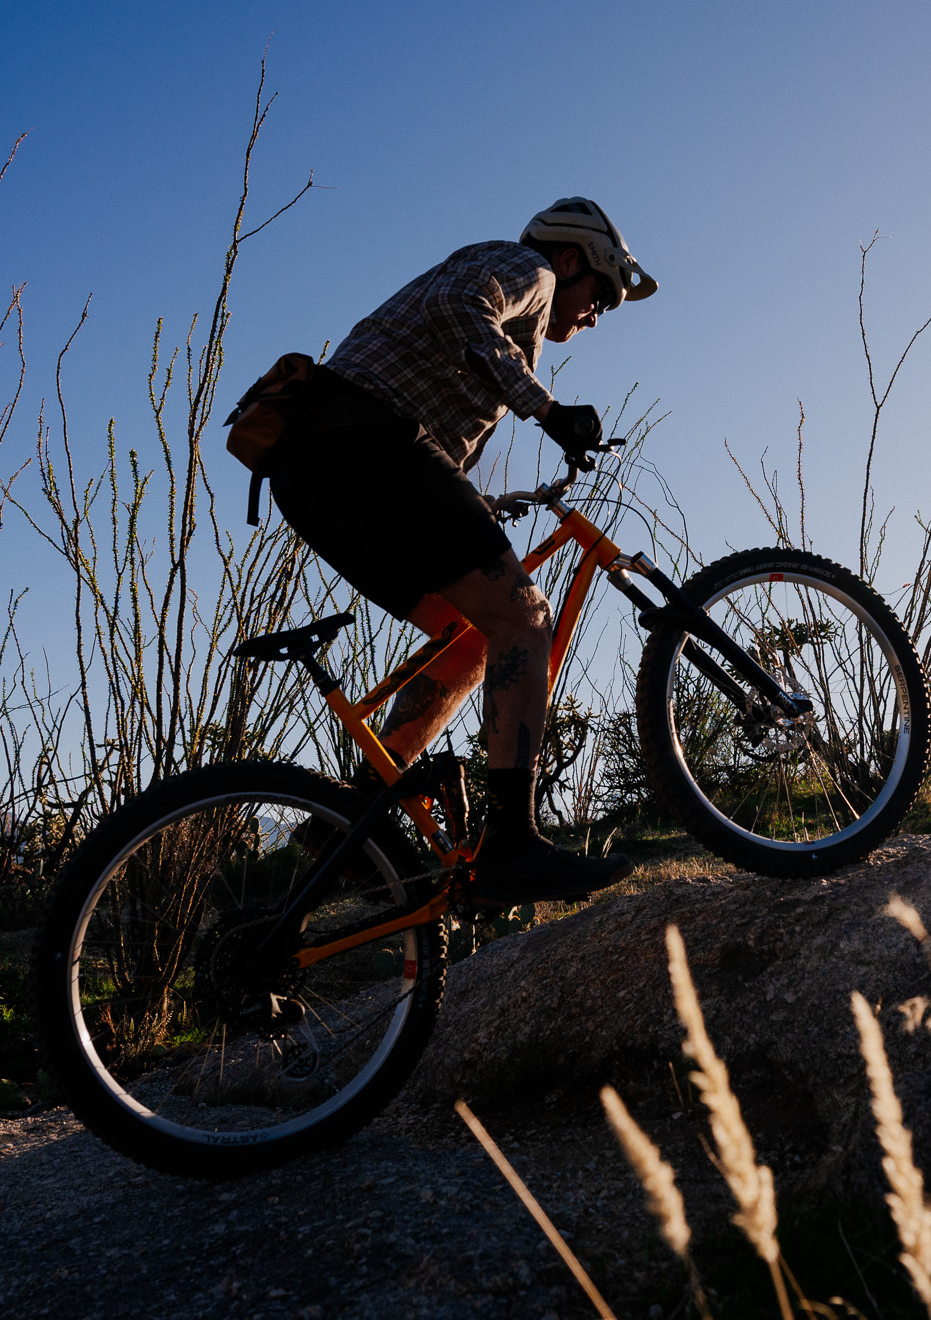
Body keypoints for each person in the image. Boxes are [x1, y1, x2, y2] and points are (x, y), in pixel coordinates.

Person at [267, 198, 656, 906]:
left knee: (476, 637)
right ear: (572, 259)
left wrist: (477, 505)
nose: (598, 316)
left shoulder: (517, 311)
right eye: (601, 295)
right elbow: (457, 307)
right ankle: (514, 848)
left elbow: (437, 414)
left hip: (320, 467)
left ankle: (351, 816)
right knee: (526, 619)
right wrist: (548, 410)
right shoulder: (532, 271)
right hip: (367, 439)